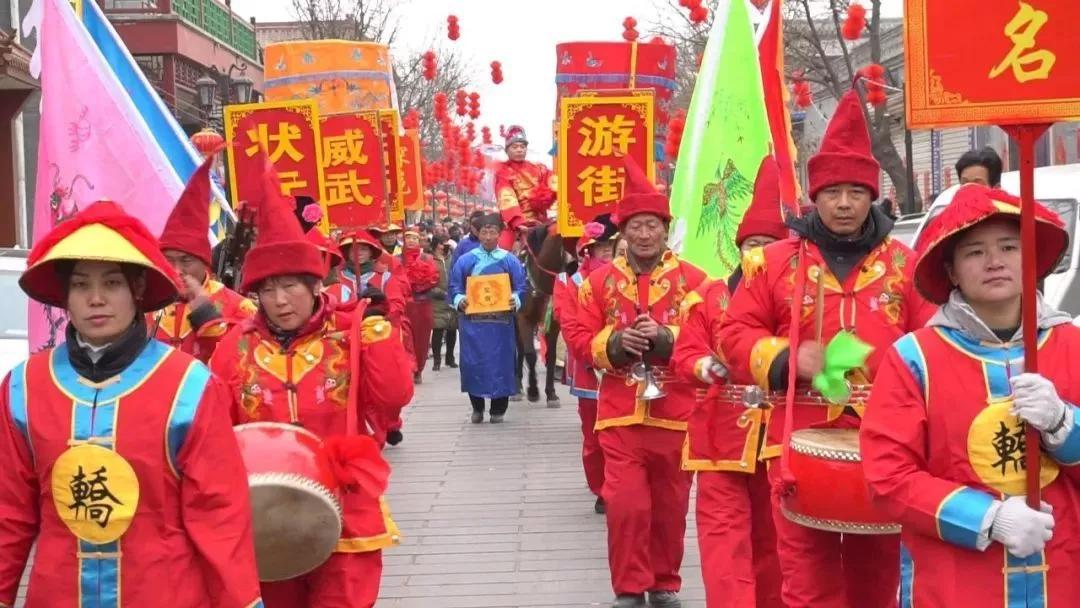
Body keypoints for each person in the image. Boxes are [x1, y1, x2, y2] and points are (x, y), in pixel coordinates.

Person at [719, 87, 938, 608]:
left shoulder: (908, 266)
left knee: (876, 579)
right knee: (806, 578)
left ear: (873, 196)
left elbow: (936, 343)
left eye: (856, 192)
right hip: (797, 446)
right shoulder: (771, 263)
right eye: (833, 191)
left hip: (886, 444)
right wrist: (784, 358)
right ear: (814, 196)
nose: (844, 203)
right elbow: (733, 336)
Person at [0, 201, 263, 608]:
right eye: (81, 285)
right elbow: (9, 515)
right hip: (58, 595)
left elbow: (220, 519)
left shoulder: (189, 386)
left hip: (166, 593)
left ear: (138, 289)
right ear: (65, 294)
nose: (96, 299)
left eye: (112, 283)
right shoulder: (24, 387)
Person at [862, 184, 1080, 606]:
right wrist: (989, 518)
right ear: (951, 271)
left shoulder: (1072, 345)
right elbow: (888, 479)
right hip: (954, 583)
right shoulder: (914, 358)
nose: (995, 262)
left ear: (1031, 258)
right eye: (975, 251)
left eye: (1009, 247)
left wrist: (1063, 423)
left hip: (1063, 578)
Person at [210, 175, 413, 607]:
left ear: (315, 284)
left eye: (290, 286)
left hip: (344, 504)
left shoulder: (352, 334)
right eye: (267, 289)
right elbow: (215, 429)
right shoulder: (235, 346)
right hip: (265, 511)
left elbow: (393, 399)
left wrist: (379, 335)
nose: (280, 300)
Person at [577, 159, 707, 608]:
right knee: (627, 505)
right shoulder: (597, 283)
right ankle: (629, 586)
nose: (644, 235)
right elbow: (579, 339)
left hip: (676, 413)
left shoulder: (695, 281)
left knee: (670, 508)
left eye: (652, 225)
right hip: (619, 412)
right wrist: (615, 344)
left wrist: (667, 340)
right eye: (636, 226)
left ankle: (665, 581)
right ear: (623, 232)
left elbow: (711, 339)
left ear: (665, 229)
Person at [671, 156, 787, 608]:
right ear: (738, 248)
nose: (757, 254)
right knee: (723, 540)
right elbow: (686, 350)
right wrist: (703, 366)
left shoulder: (798, 299)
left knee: (775, 537)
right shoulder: (709, 296)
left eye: (768, 244)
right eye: (751, 244)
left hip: (778, 436)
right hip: (718, 436)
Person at [152, 150, 256, 362]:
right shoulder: (145, 305)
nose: (177, 269)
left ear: (204, 262)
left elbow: (245, 363)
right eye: (168, 260)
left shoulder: (239, 307)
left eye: (186, 260)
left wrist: (205, 313)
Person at [554, 214, 618, 515]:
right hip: (590, 366)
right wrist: (594, 352)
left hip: (626, 368)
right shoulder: (570, 281)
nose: (607, 252)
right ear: (586, 250)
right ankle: (602, 488)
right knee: (593, 435)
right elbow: (568, 322)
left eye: (611, 246)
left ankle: (621, 485)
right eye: (601, 246)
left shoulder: (629, 276)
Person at [448, 213, 527, 424]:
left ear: (500, 234)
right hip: (473, 324)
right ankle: (477, 407)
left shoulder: (510, 260)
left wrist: (515, 299)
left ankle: (498, 409)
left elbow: (521, 287)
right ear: (477, 233)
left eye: (493, 232)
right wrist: (459, 299)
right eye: (485, 232)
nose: (489, 236)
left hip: (501, 324)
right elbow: (454, 286)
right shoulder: (466, 260)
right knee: (473, 363)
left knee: (501, 363)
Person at [494, 126, 558, 249]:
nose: (519, 150)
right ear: (507, 150)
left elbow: (554, 181)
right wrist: (518, 222)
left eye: (522, 147)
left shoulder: (539, 168)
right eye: (515, 147)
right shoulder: (503, 172)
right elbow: (507, 197)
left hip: (541, 222)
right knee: (502, 255)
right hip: (516, 224)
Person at [400, 227, 439, 384]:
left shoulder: (427, 258)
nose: (411, 241)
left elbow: (435, 277)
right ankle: (407, 368)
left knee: (421, 340)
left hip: (422, 303)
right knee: (404, 339)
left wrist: (423, 285)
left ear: (420, 240)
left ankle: (419, 369)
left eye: (414, 238)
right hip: (404, 304)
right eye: (408, 237)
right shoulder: (397, 259)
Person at [429, 234, 459, 370]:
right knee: (438, 329)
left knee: (452, 329)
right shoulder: (430, 260)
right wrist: (440, 292)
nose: (444, 246)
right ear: (436, 245)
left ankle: (450, 357)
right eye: (442, 243)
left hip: (452, 298)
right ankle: (436, 360)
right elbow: (426, 282)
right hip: (437, 301)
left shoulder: (452, 259)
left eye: (446, 243)